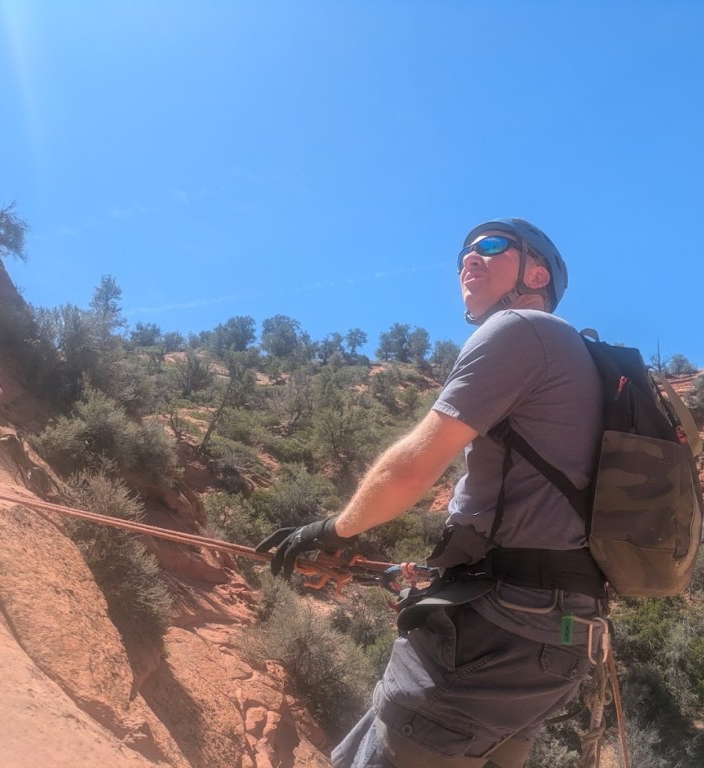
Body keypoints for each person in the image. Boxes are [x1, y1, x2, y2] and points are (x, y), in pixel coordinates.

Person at [257, 218, 607, 768]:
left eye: (492, 247)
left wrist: (329, 530)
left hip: (497, 631)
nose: (470, 257)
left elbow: (412, 470)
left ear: (536, 272)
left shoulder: (521, 329)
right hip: (556, 640)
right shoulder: (579, 358)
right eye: (465, 251)